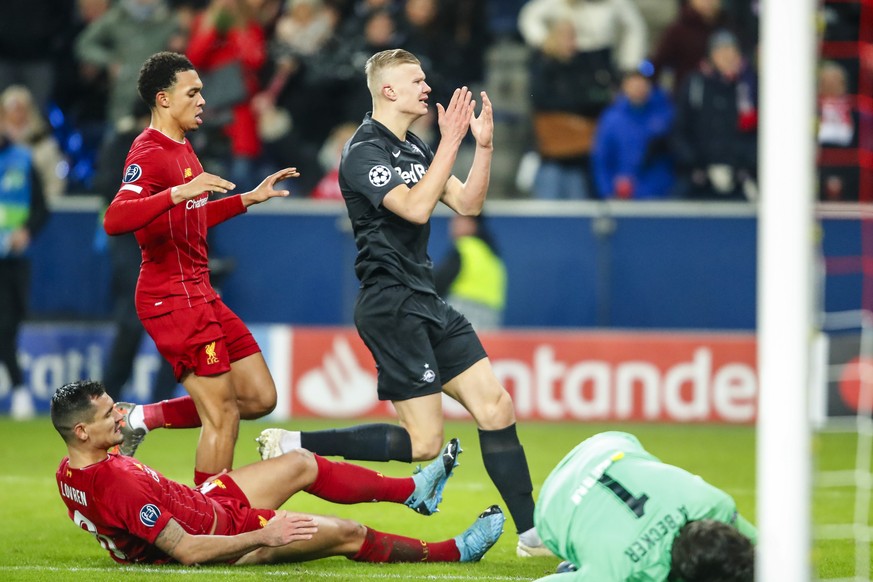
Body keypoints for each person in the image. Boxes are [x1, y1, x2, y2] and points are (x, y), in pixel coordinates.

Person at [257, 48, 550, 558]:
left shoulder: (414, 147)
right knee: (424, 444)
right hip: (390, 302)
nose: (426, 87)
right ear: (388, 90)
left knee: (496, 405)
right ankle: (297, 443)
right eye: (415, 80)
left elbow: (469, 204)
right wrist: (451, 142)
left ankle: (530, 536)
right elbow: (415, 209)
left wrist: (482, 147)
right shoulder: (363, 151)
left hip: (427, 297)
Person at [102, 51, 300, 486]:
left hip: (200, 291)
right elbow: (115, 218)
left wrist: (247, 199)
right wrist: (176, 194)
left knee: (260, 396)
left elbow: (191, 216)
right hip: (170, 297)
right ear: (164, 99)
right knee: (223, 413)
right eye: (192, 92)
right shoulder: (148, 151)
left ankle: (141, 416)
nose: (202, 101)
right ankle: (211, 521)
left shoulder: (185, 148)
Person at [52, 380, 505, 566]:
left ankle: (413, 491)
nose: (121, 416)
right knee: (348, 533)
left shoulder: (71, 469)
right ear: (81, 430)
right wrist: (262, 537)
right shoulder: (116, 484)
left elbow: (115, 509)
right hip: (221, 536)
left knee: (301, 462)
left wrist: (125, 442)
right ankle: (455, 552)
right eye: (110, 414)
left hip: (207, 503)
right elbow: (187, 551)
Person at [533, 431, 756, 581]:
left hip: (607, 446)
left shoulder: (713, 504)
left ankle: (586, 558)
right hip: (554, 506)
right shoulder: (620, 569)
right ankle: (580, 563)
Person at [0, 101, 49, 420]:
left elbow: (41, 208)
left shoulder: (23, 159)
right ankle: (18, 389)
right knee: (3, 325)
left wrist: (26, 231)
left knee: (12, 322)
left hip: (16, 257)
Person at [590, 65, 675, 200]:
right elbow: (601, 158)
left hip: (658, 194)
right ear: (624, 87)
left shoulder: (666, 115)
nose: (638, 88)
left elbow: (671, 156)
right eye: (633, 84)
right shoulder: (611, 119)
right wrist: (608, 191)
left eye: (642, 84)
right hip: (622, 194)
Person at [434, 213, 507, 331]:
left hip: (463, 312)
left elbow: (437, 282)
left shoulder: (465, 248)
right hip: (491, 318)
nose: (452, 224)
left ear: (472, 224)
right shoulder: (492, 255)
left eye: (458, 220)